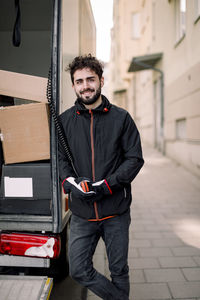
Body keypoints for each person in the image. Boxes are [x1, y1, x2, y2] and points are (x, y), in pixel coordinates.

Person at [58, 54, 144, 300]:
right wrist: (70, 182)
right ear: (73, 85)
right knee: (78, 269)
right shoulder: (64, 121)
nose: (85, 86)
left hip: (115, 211)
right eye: (79, 81)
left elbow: (134, 159)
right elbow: (61, 159)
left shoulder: (121, 118)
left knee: (118, 270)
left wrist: (107, 185)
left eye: (90, 79)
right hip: (82, 213)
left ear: (101, 81)